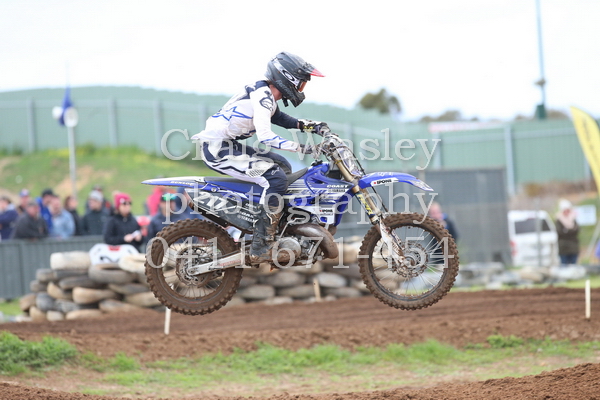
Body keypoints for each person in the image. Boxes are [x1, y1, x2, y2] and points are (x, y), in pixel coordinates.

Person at [191, 51, 327, 264]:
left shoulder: (265, 94)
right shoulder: (263, 97)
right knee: (275, 177)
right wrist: (304, 148)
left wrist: (313, 126)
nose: (301, 90)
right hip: (217, 150)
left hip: (228, 145)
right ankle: (260, 245)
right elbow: (266, 137)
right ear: (287, 78)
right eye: (301, 84)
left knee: (281, 165)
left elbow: (281, 118)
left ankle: (278, 226)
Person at [555, 199, 579, 266]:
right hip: (563, 248)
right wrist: (570, 230)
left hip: (573, 247)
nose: (566, 212)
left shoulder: (573, 219)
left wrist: (566, 230)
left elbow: (577, 230)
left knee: (573, 266)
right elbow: (560, 232)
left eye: (568, 210)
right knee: (564, 266)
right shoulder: (559, 220)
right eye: (565, 210)